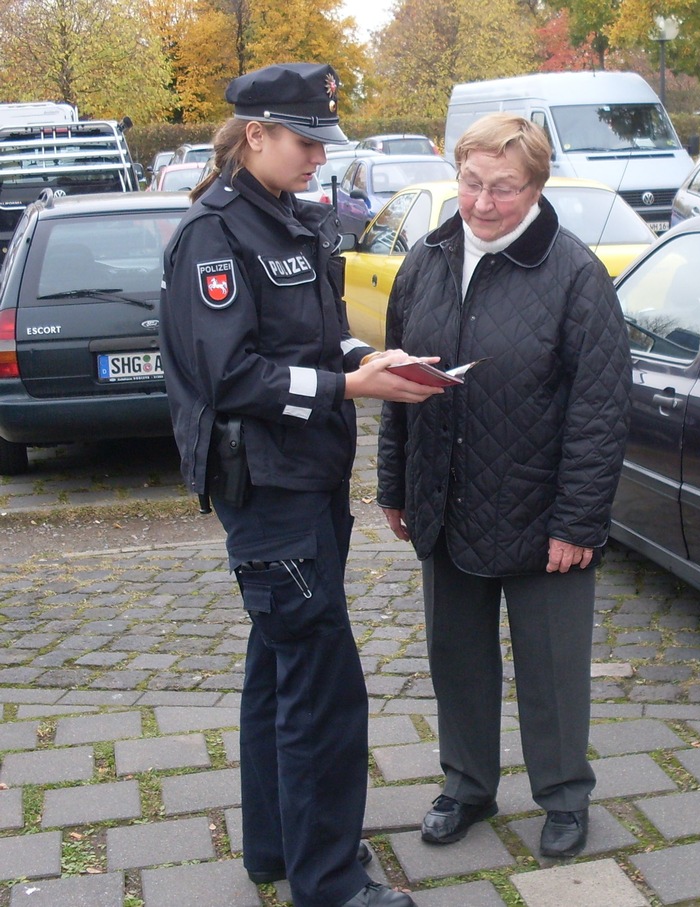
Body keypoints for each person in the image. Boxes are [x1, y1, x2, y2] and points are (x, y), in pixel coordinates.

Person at [159, 62, 440, 907]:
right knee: (321, 683)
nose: (320, 155)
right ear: (256, 137)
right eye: (306, 139)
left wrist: (367, 357)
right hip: (268, 488)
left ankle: (277, 848)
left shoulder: (285, 220)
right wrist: (352, 388)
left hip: (308, 479)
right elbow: (232, 376)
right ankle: (330, 882)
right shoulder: (214, 236)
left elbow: (311, 339)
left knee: (278, 666)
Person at [376, 112, 632, 859]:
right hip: (446, 499)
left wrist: (579, 522)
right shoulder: (424, 261)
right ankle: (466, 785)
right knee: (454, 655)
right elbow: (396, 382)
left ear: (537, 187)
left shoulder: (576, 275)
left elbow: (601, 408)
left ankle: (561, 794)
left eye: (505, 188)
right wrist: (395, 483)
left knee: (551, 666)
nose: (484, 203)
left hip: (541, 512)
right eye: (471, 183)